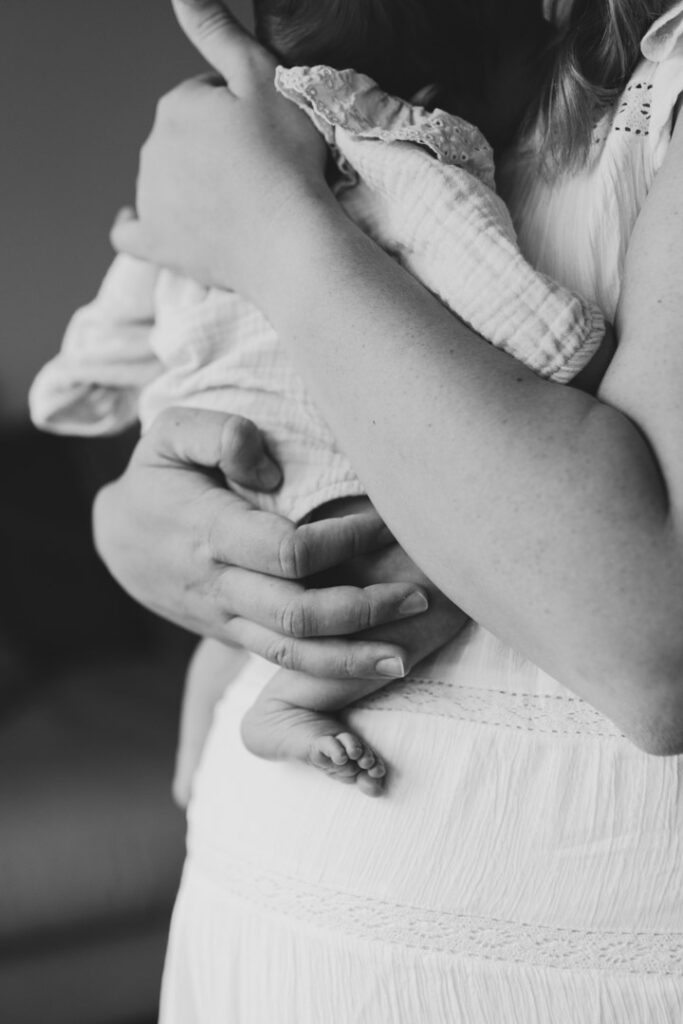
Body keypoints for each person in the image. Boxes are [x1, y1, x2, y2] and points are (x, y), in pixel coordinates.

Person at [93, 0, 683, 1018]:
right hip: (254, 952)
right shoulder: (384, 58)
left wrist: (276, 231)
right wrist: (144, 532)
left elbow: (648, 638)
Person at [29, 0, 609, 796]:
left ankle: (199, 754)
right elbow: (498, 289)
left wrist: (75, 386)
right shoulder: (405, 157)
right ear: (439, 92)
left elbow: (133, 279)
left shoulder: (209, 165)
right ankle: (287, 705)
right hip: (327, 479)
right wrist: (574, 347)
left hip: (215, 458)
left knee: (237, 627)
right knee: (435, 580)